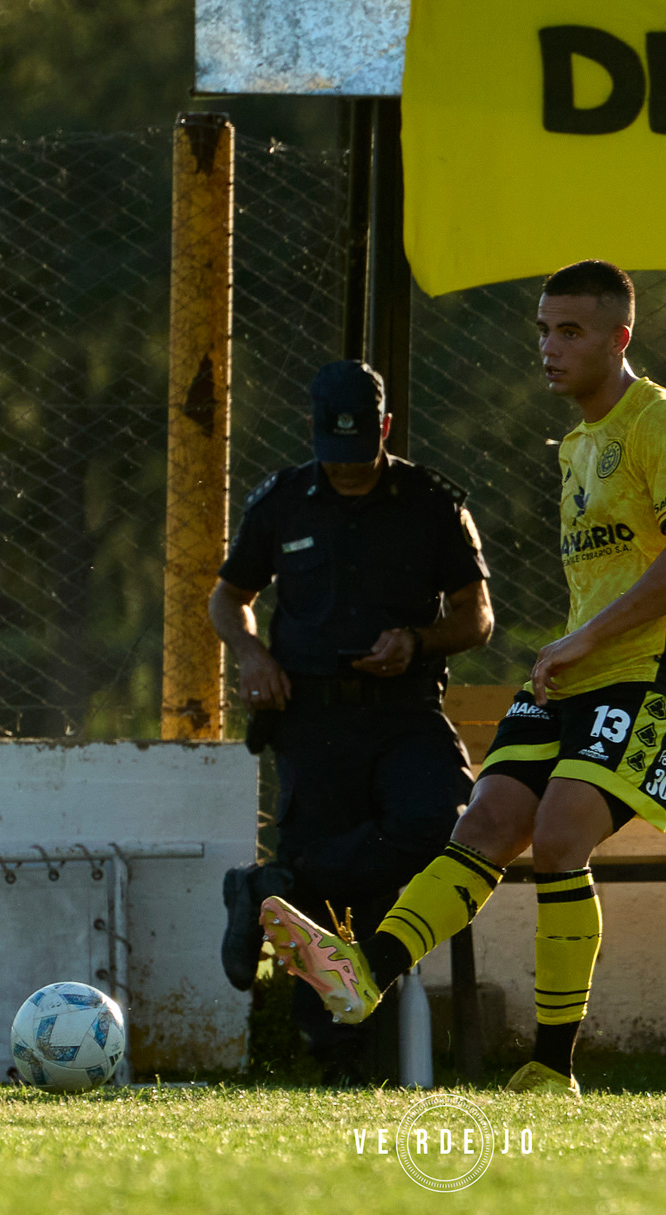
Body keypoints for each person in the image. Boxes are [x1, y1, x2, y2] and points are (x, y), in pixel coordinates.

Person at [260, 260, 666, 1096]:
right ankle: (365, 974)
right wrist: (571, 649)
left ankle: (553, 1064)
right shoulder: (579, 441)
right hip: (572, 675)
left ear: (620, 337)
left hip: (649, 687)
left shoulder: (663, 423)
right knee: (484, 824)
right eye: (543, 329)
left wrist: (581, 638)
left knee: (556, 839)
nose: (549, 347)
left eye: (571, 331)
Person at [207, 359, 494, 1084]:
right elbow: (227, 598)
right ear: (312, 437)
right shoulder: (283, 500)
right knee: (330, 907)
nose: (348, 468)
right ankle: (336, 1061)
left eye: (362, 449)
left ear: (386, 429)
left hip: (403, 712)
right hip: (310, 717)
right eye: (334, 454)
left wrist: (416, 641)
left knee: (444, 822)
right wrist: (251, 654)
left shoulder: (431, 502)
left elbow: (477, 616)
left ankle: (275, 884)